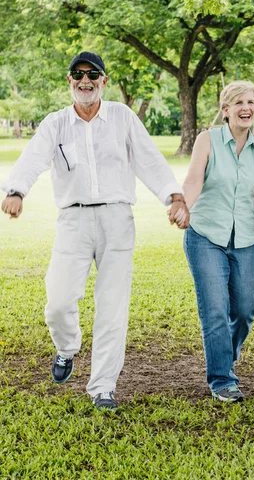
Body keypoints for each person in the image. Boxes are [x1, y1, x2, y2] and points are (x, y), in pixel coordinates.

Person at [0, 51, 189, 410]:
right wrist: (16, 191)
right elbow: (33, 158)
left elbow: (148, 158)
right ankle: (67, 348)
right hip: (73, 220)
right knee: (57, 302)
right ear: (68, 80)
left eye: (93, 75)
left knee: (112, 305)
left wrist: (174, 197)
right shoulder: (56, 123)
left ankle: (103, 386)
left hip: (117, 219)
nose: (85, 81)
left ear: (104, 80)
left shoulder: (122, 117)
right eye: (78, 74)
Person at [181, 81, 254, 403]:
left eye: (251, 102)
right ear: (225, 110)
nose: (246, 108)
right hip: (206, 235)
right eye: (238, 103)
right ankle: (222, 379)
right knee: (215, 310)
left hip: (245, 239)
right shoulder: (208, 140)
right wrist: (183, 207)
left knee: (245, 309)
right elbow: (193, 180)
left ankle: (224, 356)